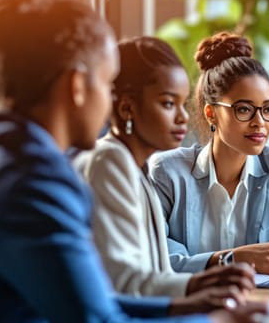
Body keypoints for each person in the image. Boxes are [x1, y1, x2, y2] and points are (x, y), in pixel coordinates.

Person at [0, 0, 266, 323]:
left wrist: (178, 307)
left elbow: (84, 305)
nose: (111, 102)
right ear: (79, 86)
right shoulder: (36, 182)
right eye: (106, 83)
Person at [75, 36, 256, 304]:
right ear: (127, 108)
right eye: (168, 104)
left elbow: (156, 274)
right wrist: (200, 283)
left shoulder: (136, 168)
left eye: (183, 104)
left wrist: (205, 283)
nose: (183, 117)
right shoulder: (109, 161)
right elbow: (123, 284)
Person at [149, 32, 269, 276]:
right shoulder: (168, 172)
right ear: (211, 114)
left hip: (257, 302)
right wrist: (230, 259)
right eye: (244, 109)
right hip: (189, 302)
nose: (259, 122)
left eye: (267, 109)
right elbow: (157, 255)